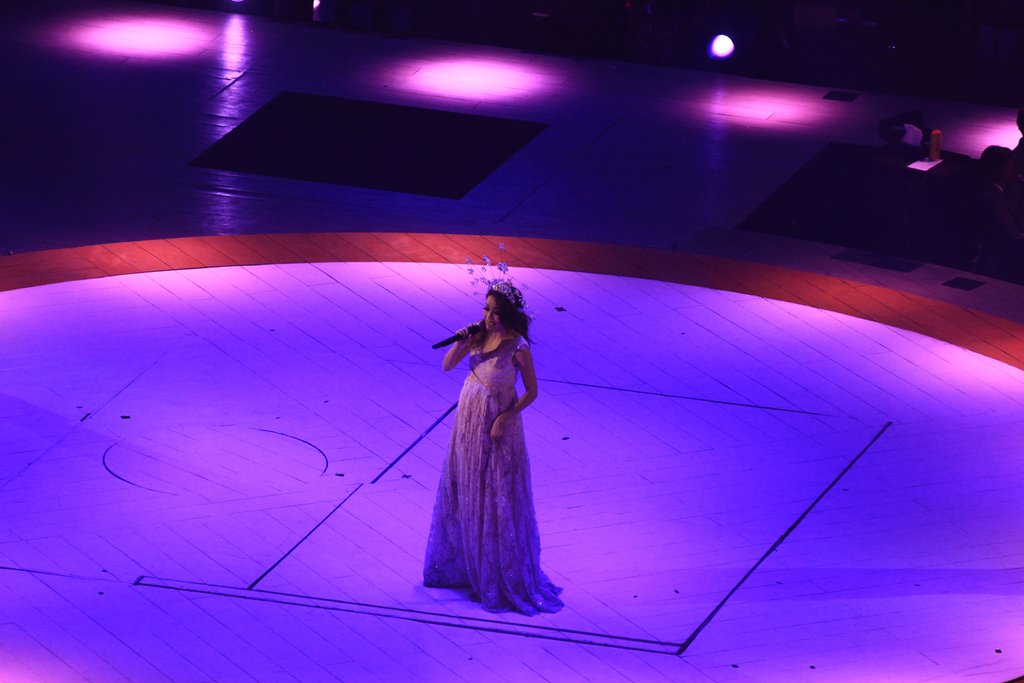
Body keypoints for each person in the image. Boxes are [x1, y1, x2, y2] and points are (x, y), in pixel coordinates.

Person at [423, 283, 563, 615]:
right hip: (468, 423)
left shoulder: (518, 346)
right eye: (486, 309)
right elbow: (447, 365)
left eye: (496, 312)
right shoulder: (478, 336)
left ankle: (496, 568)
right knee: (467, 488)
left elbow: (531, 392)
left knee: (493, 494)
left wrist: (506, 417)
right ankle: (467, 563)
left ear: (509, 315)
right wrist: (462, 341)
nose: (488, 316)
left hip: (497, 427)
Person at [976, 145, 1024, 281]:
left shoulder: (1003, 189)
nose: (1015, 171)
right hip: (999, 255)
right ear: (995, 169)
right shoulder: (992, 195)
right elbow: (1007, 229)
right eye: (1009, 167)